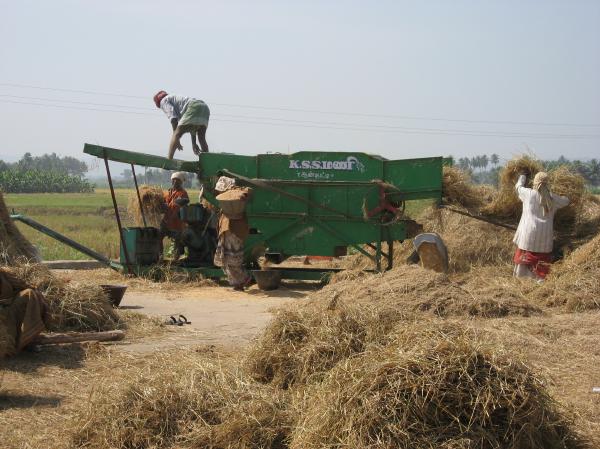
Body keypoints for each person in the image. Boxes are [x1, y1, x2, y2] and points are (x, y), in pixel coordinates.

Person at [512, 171, 569, 281]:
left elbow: (518, 187)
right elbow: (566, 201)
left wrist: (523, 176)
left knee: (525, 258)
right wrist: (563, 189)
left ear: (535, 182)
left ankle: (522, 279)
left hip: (528, 235)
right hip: (545, 237)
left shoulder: (528, 194)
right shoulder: (553, 198)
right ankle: (539, 281)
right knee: (541, 261)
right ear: (548, 184)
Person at [213, 177, 252, 291]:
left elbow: (247, 191)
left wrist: (240, 194)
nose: (219, 192)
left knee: (233, 259)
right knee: (226, 259)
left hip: (234, 230)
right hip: (226, 230)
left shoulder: (238, 194)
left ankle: (243, 280)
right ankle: (237, 283)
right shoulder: (225, 198)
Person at [153, 91, 210, 159]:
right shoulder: (174, 98)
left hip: (193, 106)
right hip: (204, 107)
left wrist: (176, 138)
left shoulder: (163, 101)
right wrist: (194, 144)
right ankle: (208, 161)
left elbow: (173, 119)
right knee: (201, 137)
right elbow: (192, 125)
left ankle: (169, 159)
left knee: (176, 133)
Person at [161, 172, 189, 262]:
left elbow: (181, 204)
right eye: (173, 180)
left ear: (181, 182)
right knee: (158, 236)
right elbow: (163, 203)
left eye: (177, 181)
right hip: (166, 220)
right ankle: (160, 256)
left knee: (177, 240)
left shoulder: (183, 193)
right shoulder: (167, 192)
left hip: (177, 222)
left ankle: (176, 259)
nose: (175, 182)